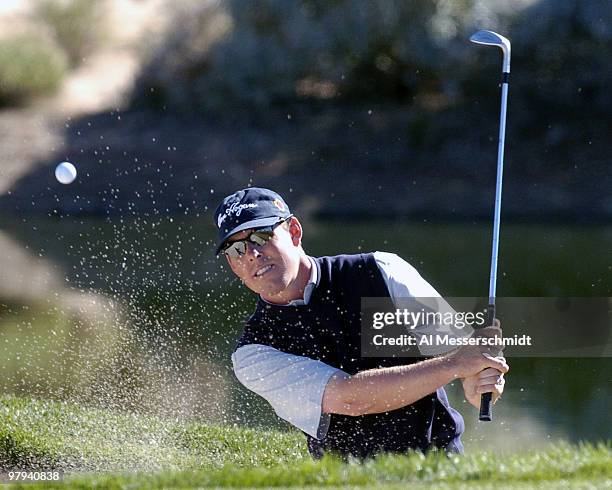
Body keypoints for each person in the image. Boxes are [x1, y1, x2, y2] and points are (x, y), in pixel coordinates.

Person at [214, 187, 508, 459]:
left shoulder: (381, 271)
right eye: (236, 250)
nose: (251, 255)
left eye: (261, 237)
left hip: (436, 460)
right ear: (231, 264)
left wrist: (479, 378)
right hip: (346, 479)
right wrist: (456, 365)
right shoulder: (252, 353)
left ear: (293, 231)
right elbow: (349, 399)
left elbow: (463, 352)